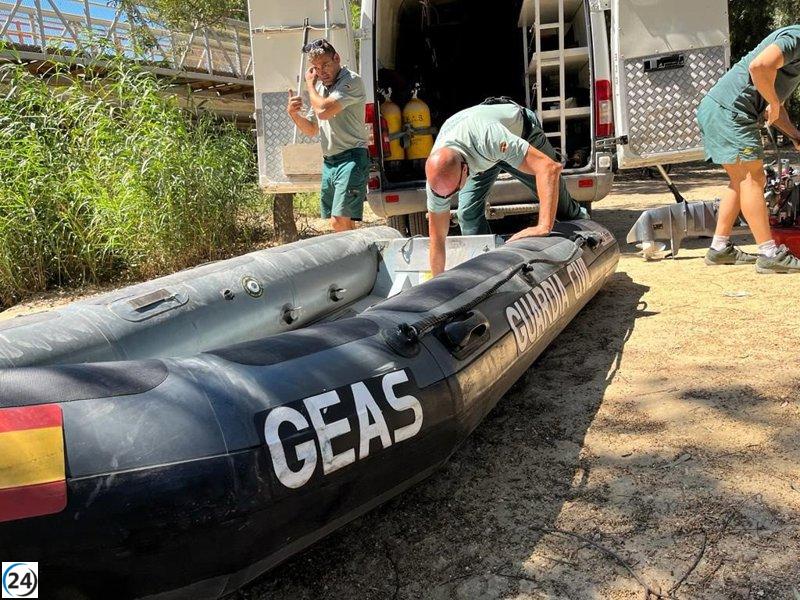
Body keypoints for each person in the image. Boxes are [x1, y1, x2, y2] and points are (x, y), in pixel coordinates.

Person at [425, 101, 586, 275]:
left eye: (455, 190)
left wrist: (543, 226)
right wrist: (437, 282)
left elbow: (549, 168)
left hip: (520, 133)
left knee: (561, 208)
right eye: (443, 195)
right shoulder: (438, 176)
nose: (449, 197)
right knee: (468, 215)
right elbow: (437, 239)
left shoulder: (488, 138)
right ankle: (486, 273)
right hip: (481, 152)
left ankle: (588, 229)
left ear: (464, 169)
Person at [696, 25, 800, 273]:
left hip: (721, 109)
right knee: (754, 178)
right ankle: (769, 253)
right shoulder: (797, 37)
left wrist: (796, 135)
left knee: (740, 180)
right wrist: (774, 103)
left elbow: (774, 108)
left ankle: (719, 248)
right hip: (730, 112)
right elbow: (759, 67)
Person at [286, 39, 369, 232]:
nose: (321, 71)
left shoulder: (351, 81)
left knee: (338, 221)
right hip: (330, 162)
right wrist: (293, 113)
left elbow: (323, 111)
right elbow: (312, 129)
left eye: (325, 65)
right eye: (315, 68)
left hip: (352, 158)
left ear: (337, 58)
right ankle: (356, 259)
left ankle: (351, 260)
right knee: (343, 224)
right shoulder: (321, 89)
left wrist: (309, 85)